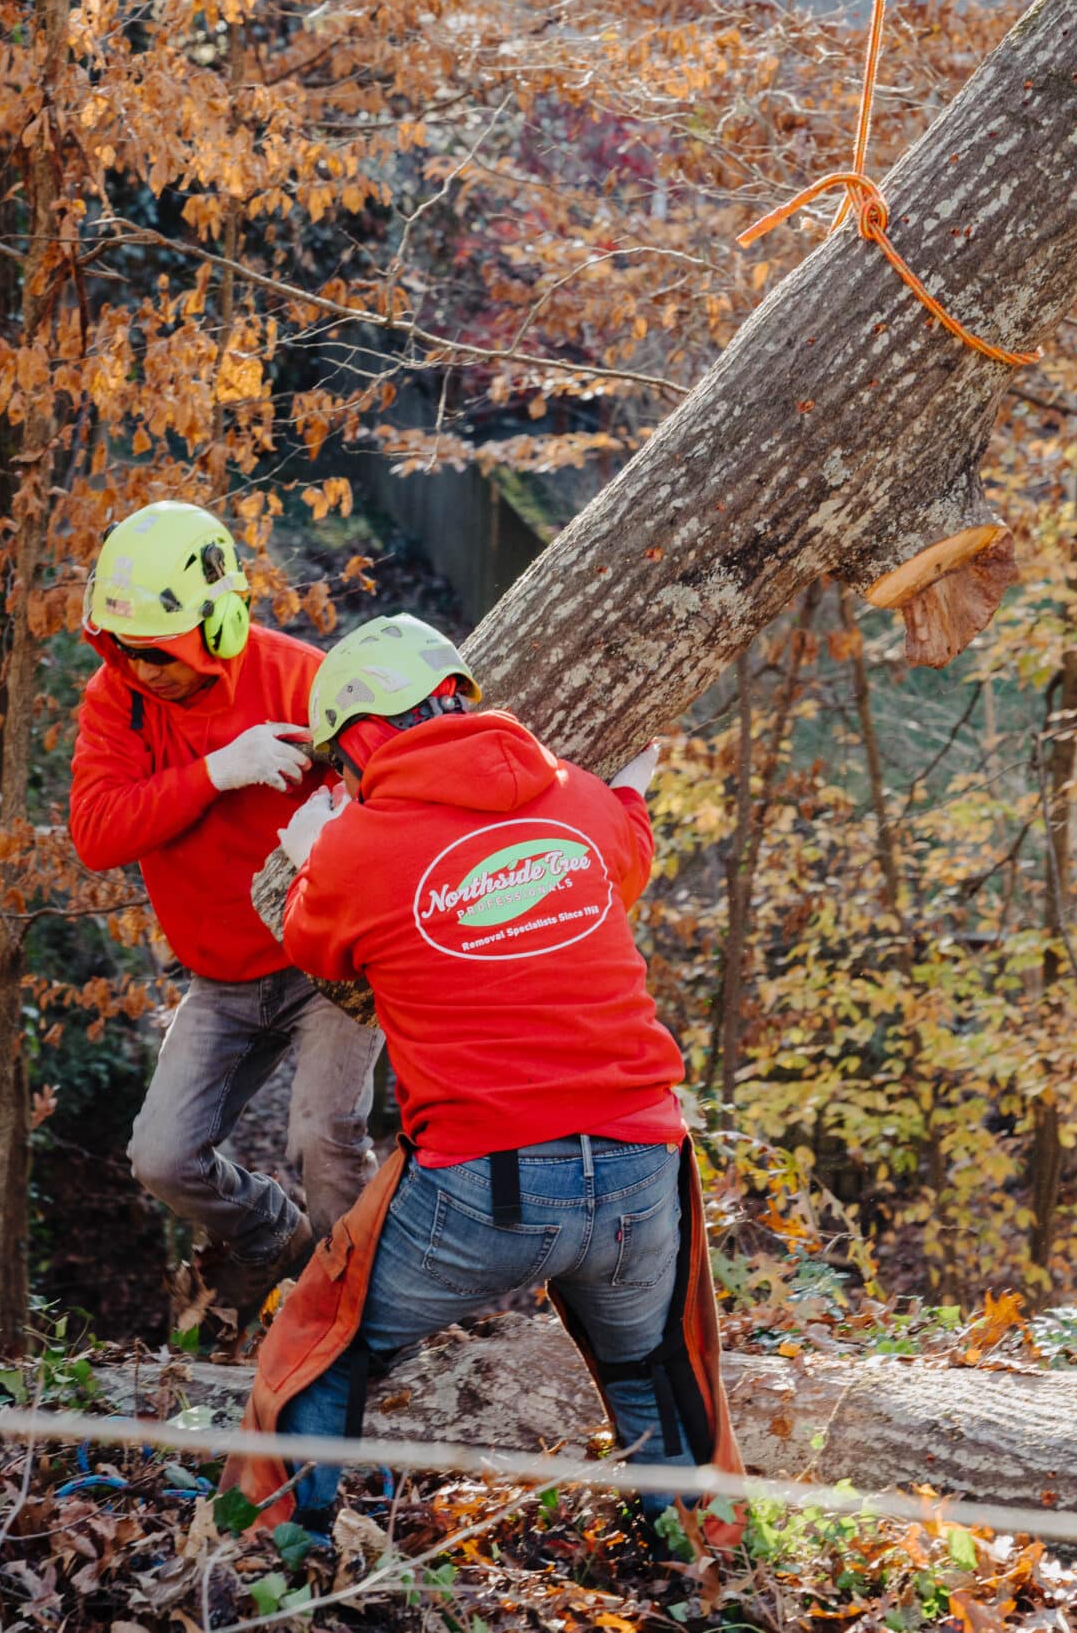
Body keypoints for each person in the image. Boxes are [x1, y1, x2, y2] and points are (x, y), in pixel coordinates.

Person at [229, 613, 741, 1540]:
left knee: (320, 1346)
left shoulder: (353, 850)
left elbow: (310, 937)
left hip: (482, 1183)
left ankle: (280, 1551)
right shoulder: (581, 800)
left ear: (357, 739)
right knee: (650, 1369)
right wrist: (626, 798)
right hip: (640, 1167)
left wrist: (312, 848)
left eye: (339, 764)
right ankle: (696, 1559)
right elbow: (627, 851)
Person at [68, 501, 380, 1322]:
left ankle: (361, 1318)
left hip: (326, 963)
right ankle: (278, 1238)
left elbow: (384, 783)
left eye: (156, 653)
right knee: (162, 1157)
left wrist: (332, 821)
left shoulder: (302, 676)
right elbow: (97, 833)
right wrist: (216, 771)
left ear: (218, 623)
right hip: (221, 975)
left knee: (324, 1139)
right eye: (123, 649)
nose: (140, 667)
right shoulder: (119, 701)